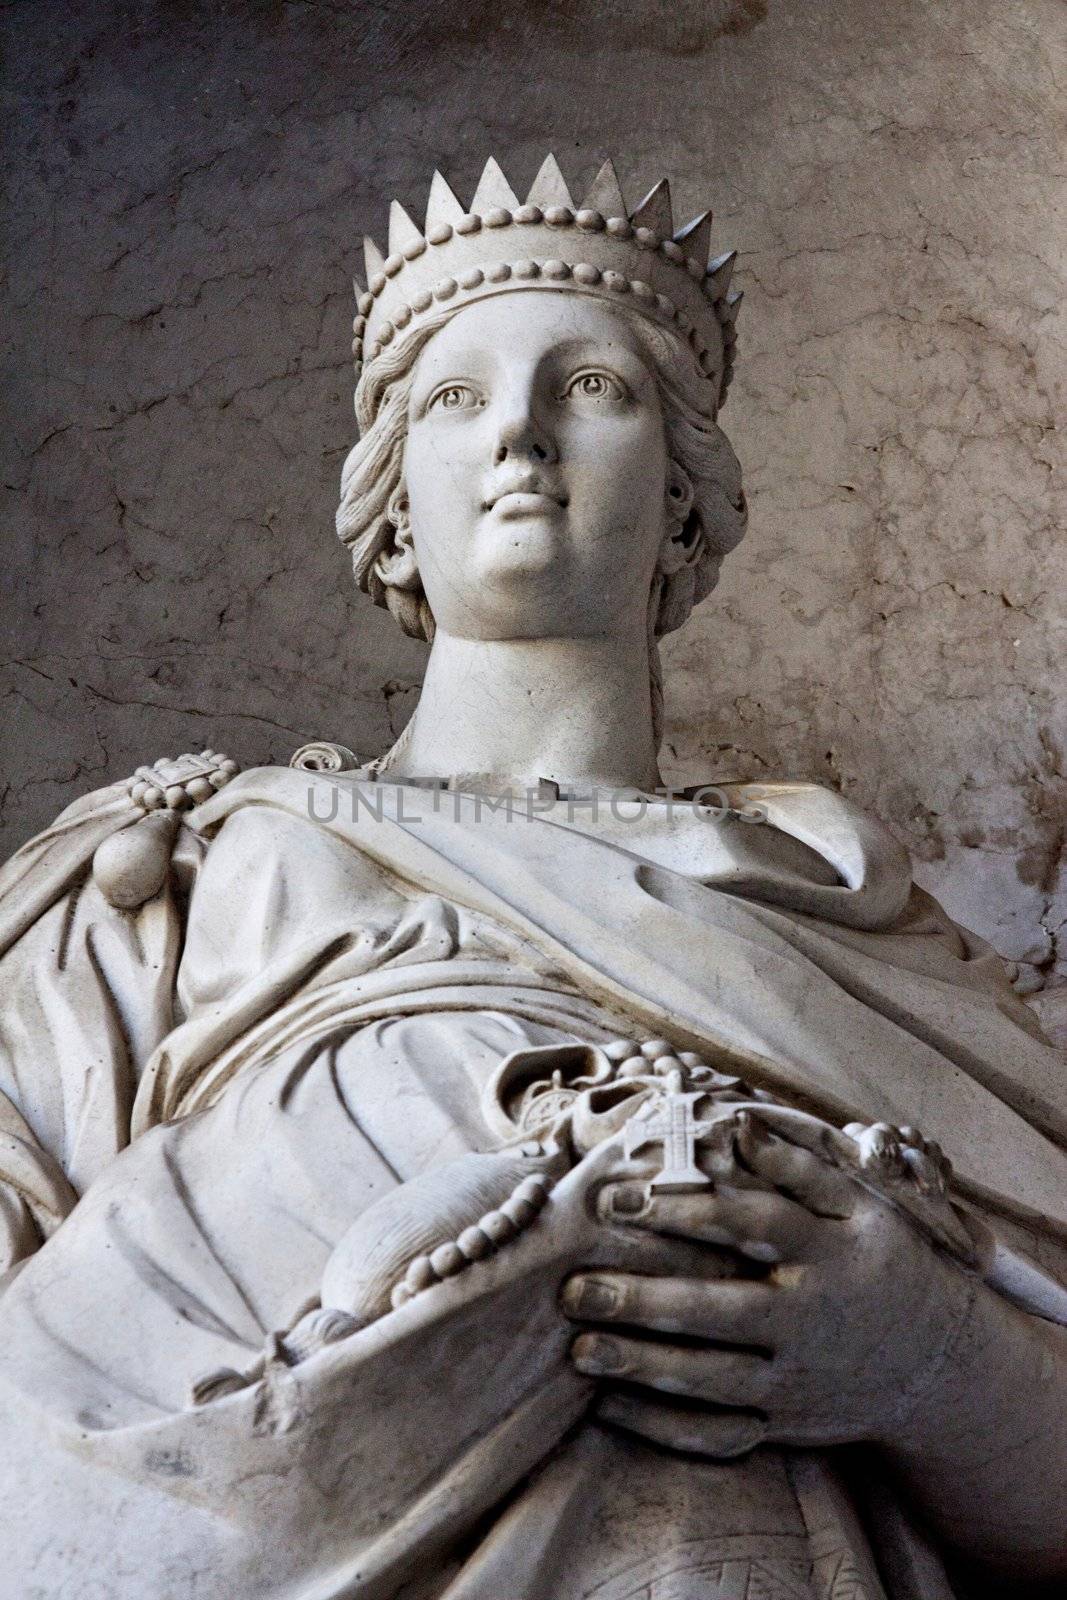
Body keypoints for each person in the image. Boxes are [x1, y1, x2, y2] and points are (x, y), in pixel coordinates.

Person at [0, 156, 1064, 1600]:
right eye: (453, 398)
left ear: (687, 504)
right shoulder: (171, 871)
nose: (517, 431)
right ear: (390, 509)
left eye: (593, 389)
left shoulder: (850, 916)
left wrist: (935, 1359)